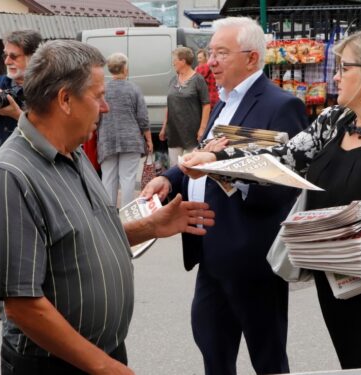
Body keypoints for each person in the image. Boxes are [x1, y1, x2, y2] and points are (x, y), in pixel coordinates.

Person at [181, 26, 361, 370]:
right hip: (336, 280)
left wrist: (329, 237)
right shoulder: (334, 121)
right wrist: (217, 161)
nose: (336, 78)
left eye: (345, 69)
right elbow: (283, 158)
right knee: (351, 362)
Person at [0, 40, 215, 375]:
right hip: (55, 365)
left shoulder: (71, 151)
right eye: (98, 95)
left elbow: (82, 240)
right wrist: (102, 366)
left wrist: (150, 227)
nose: (105, 107)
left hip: (99, 354)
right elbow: (21, 304)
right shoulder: (11, 177)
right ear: (65, 100)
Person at [141, 17, 307, 375]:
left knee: (268, 358)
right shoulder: (224, 102)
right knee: (212, 350)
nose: (210, 62)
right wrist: (170, 179)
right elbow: (203, 153)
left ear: (251, 58)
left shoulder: (280, 106)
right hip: (209, 252)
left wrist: (224, 167)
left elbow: (285, 183)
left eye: (220, 53)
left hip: (251, 255)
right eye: (210, 53)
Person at [98, 52, 153, 207]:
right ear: (125, 69)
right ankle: (126, 215)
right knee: (128, 178)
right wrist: (149, 139)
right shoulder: (134, 89)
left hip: (107, 139)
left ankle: (109, 216)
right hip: (131, 140)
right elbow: (142, 117)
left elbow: (96, 116)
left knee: (108, 178)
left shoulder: (102, 89)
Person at [159, 46, 211, 167]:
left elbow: (206, 104)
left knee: (191, 167)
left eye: (175, 59)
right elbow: (169, 104)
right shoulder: (173, 80)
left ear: (183, 61)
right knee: (174, 166)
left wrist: (202, 129)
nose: (173, 63)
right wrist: (164, 127)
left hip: (191, 132)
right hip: (173, 131)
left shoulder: (198, 79)